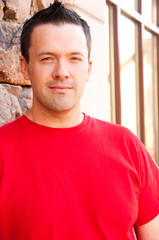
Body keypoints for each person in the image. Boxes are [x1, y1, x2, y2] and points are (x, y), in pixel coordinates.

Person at [0, 1, 158, 239]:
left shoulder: (128, 146)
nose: (62, 71)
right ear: (25, 67)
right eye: (47, 58)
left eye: (74, 58)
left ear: (89, 68)